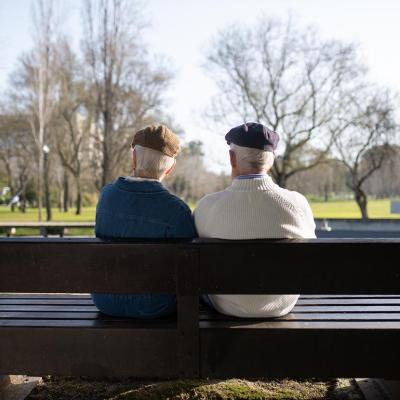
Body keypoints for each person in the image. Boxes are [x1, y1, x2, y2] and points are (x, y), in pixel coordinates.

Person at [194, 122, 316, 318]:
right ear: (271, 160)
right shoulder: (298, 204)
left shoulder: (206, 207)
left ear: (232, 158)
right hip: (281, 305)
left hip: (226, 305)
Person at [92, 124, 196, 318]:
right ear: (171, 167)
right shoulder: (177, 210)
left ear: (134, 157)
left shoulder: (106, 196)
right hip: (156, 305)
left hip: (105, 300)